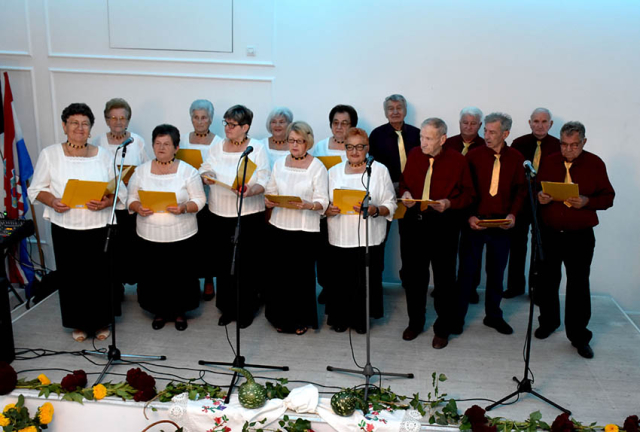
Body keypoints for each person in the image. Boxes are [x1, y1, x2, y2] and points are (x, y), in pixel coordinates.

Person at [28, 103, 126, 342]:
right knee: (72, 276)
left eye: (85, 124)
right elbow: (36, 189)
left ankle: (101, 321)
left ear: (91, 128)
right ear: (65, 126)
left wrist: (106, 202)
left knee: (99, 277)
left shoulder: (103, 155)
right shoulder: (50, 154)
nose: (80, 128)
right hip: (66, 225)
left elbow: (118, 189)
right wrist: (52, 201)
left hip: (98, 226)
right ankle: (78, 323)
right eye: (74, 123)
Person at [534, 121, 614, 359]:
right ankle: (548, 323)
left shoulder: (595, 163)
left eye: (574, 145)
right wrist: (541, 197)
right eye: (564, 145)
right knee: (548, 280)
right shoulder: (549, 160)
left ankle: (578, 335)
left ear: (584, 142)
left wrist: (588, 201)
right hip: (550, 232)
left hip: (579, 235)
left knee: (578, 284)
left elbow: (608, 197)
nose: (568, 150)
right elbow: (537, 187)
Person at [399, 118, 475, 348]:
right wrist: (405, 194)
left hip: (443, 226)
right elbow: (404, 183)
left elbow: (469, 194)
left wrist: (449, 204)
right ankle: (415, 323)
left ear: (442, 139)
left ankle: (442, 329)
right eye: (421, 137)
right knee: (413, 277)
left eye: (428, 138)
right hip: (414, 224)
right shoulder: (413, 155)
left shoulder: (457, 161)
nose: (422, 142)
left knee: (444, 280)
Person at [127, 124, 206, 331]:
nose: (161, 148)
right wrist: (137, 207)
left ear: (176, 147)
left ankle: (180, 312)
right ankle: (159, 311)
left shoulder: (188, 172)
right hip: (149, 234)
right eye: (157, 143)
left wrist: (184, 207)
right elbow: (130, 198)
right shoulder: (141, 171)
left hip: (181, 233)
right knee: (154, 276)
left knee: (180, 276)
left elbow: (200, 199)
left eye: (166, 144)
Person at [200, 105, 270, 328]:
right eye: (226, 123)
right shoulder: (217, 145)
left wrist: (252, 190)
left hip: (248, 214)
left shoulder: (256, 148)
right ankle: (227, 308)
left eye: (232, 124)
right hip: (219, 212)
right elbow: (206, 167)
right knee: (223, 263)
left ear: (245, 127)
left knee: (246, 264)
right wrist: (207, 175)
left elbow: (265, 178)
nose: (228, 128)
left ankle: (246, 309)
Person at [456, 113, 526, 336]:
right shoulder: (473, 156)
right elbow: (463, 189)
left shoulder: (516, 158)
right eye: (485, 130)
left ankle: (493, 316)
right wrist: (469, 217)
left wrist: (513, 215)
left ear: (505, 134)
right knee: (466, 273)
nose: (486, 135)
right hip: (475, 222)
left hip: (501, 225)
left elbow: (520, 191)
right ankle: (457, 318)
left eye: (492, 132)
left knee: (496, 274)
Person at [325, 128, 396, 333]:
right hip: (340, 235)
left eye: (359, 147)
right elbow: (323, 202)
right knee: (341, 280)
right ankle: (340, 318)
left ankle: (361, 320)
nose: (354, 151)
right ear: (344, 148)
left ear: (367, 148)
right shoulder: (333, 172)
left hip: (369, 236)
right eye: (349, 147)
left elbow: (390, 203)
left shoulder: (379, 170)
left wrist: (375, 209)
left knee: (364, 280)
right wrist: (328, 209)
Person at [264, 121, 328, 334]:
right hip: (279, 226)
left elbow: (322, 200)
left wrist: (308, 205)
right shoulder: (280, 163)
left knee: (300, 278)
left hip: (304, 230)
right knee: (279, 276)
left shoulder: (316, 166)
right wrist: (270, 201)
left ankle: (301, 320)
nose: (294, 145)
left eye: (299, 141)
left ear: (307, 141)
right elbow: (270, 189)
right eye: (291, 140)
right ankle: (279, 318)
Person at [92, 98, 149, 288]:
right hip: (106, 204)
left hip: (129, 204)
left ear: (128, 120)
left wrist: (131, 178)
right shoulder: (98, 142)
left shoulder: (137, 141)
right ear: (106, 120)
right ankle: (114, 288)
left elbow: (145, 170)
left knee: (130, 246)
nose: (118, 122)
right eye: (113, 118)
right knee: (109, 249)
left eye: (122, 118)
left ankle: (131, 282)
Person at [505, 108, 561, 299]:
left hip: (545, 203)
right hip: (522, 202)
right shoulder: (518, 143)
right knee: (517, 245)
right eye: (536, 121)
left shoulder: (557, 145)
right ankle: (515, 287)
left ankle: (536, 290)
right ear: (529, 123)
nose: (540, 125)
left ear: (551, 124)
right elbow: (512, 174)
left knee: (540, 245)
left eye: (544, 121)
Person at [368, 94, 421, 290]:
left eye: (399, 107)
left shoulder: (417, 134)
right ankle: (376, 281)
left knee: (410, 241)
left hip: (411, 195)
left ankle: (409, 280)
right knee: (380, 238)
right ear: (385, 112)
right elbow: (372, 166)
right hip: (385, 194)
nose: (395, 111)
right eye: (391, 108)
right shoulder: (376, 135)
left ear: (405, 110)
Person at [310, 104, 358, 305]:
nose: (339, 127)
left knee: (344, 258)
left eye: (344, 123)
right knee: (324, 254)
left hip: (348, 212)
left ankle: (344, 293)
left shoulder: (358, 149)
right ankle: (327, 287)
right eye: (335, 123)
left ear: (352, 126)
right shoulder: (320, 147)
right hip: (325, 210)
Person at [182, 99, 224, 301]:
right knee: (190, 244)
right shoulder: (182, 139)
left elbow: (223, 170)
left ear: (211, 119)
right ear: (191, 118)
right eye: (196, 117)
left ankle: (208, 280)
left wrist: (211, 176)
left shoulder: (219, 142)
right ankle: (191, 281)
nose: (200, 122)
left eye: (204, 117)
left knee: (209, 243)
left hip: (210, 198)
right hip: (188, 198)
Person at [445, 107, 486, 304]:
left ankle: (470, 288)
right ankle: (446, 286)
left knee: (471, 252)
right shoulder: (448, 144)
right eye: (465, 122)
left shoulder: (486, 146)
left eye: (473, 123)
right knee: (447, 251)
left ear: (480, 125)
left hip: (474, 206)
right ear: (459, 123)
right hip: (450, 207)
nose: (468, 126)